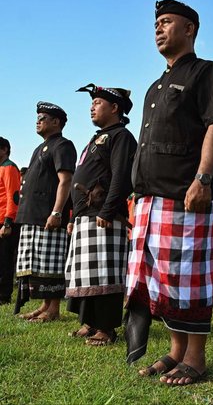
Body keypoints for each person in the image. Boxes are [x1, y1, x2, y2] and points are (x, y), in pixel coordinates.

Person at [125, 0, 213, 386]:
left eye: (167, 22)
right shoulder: (155, 85)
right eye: (156, 22)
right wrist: (136, 195)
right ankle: (175, 351)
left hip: (185, 193)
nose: (158, 28)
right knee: (162, 280)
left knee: (188, 278)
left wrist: (204, 179)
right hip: (151, 197)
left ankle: (197, 358)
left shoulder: (206, 72)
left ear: (190, 29)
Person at [65, 84, 137, 345]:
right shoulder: (96, 138)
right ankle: (90, 322)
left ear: (115, 107)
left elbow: (121, 176)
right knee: (86, 273)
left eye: (97, 102)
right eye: (92, 102)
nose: (92, 106)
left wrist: (107, 209)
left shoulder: (121, 136)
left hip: (105, 216)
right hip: (87, 215)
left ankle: (106, 328)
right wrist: (74, 217)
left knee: (105, 274)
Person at [15, 102, 77, 321]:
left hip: (48, 215)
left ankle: (53, 309)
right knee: (38, 263)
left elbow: (66, 180)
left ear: (56, 122)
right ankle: (44, 305)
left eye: (43, 117)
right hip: (33, 215)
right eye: (38, 117)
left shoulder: (63, 145)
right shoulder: (40, 148)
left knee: (50, 263)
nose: (38, 121)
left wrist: (57, 212)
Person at [0, 137, 21, 305]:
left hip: (5, 221)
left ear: (4, 149)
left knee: (4, 260)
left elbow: (13, 196)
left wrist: (8, 222)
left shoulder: (9, 168)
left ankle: (3, 296)